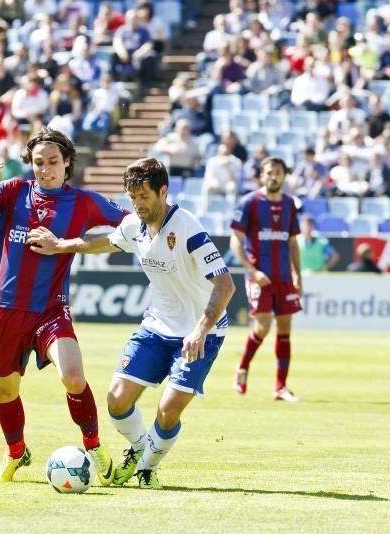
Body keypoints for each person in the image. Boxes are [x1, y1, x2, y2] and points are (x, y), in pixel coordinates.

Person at [26, 157, 235, 490]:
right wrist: (60, 246)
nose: (138, 205)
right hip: (156, 326)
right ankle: (141, 450)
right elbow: (101, 242)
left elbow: (225, 285)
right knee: (117, 399)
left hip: (200, 334)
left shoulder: (187, 226)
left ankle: (147, 468)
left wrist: (199, 330)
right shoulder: (133, 226)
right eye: (133, 198)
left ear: (163, 191)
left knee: (168, 412)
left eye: (145, 197)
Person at [0, 127, 127, 485]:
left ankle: (93, 446)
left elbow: (129, 223)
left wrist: (67, 243)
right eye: (38, 162)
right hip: (7, 309)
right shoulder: (14, 191)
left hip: (51, 309)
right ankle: (16, 453)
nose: (45, 169)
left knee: (73, 377)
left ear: (66, 163)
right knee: (6, 390)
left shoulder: (84, 202)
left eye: (52, 162)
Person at [230, 157, 302, 401]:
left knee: (285, 329)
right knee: (262, 326)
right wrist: (251, 271)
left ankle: (280, 387)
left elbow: (292, 242)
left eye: (279, 173)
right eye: (270, 172)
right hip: (260, 277)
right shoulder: (250, 202)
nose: (274, 177)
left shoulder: (290, 204)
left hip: (284, 278)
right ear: (262, 176)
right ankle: (242, 367)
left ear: (284, 176)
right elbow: (235, 240)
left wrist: (297, 275)